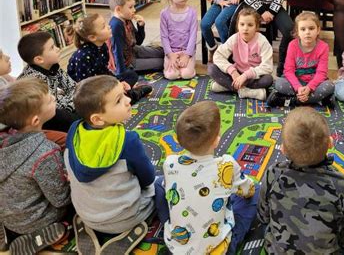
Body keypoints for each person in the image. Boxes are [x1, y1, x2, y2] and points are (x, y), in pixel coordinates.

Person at [64, 75, 168, 254]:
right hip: (125, 217)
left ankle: (92, 225)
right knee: (160, 185)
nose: (128, 100)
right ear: (97, 119)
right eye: (119, 100)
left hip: (86, 214)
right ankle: (133, 227)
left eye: (124, 95)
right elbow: (147, 177)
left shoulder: (74, 131)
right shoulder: (128, 141)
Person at [163, 101, 258, 254]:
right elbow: (249, 191)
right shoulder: (226, 165)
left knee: (159, 186)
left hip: (176, 248)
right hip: (218, 249)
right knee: (255, 190)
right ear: (216, 141)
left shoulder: (169, 163)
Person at [258, 107, 344, 253]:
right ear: (330, 143)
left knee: (254, 191)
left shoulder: (273, 174)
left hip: (276, 251)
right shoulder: (341, 184)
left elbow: (263, 217)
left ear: (283, 149)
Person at [0, 78, 70, 255]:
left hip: (10, 219)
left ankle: (12, 234)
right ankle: (47, 232)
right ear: (36, 119)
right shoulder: (46, 153)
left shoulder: (4, 141)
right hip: (38, 219)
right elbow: (61, 199)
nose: (54, 98)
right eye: (49, 100)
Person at [67, 14, 152, 102]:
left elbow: (104, 71)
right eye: (103, 27)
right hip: (87, 91)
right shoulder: (83, 57)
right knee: (107, 98)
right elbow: (85, 88)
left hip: (100, 81)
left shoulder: (103, 46)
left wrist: (116, 82)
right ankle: (130, 96)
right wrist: (112, 87)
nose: (109, 27)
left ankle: (121, 95)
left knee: (131, 75)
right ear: (92, 37)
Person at [269, 11, 335, 107]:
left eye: (311, 28)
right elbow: (288, 71)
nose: (307, 32)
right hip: (295, 81)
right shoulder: (292, 45)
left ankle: (292, 101)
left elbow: (321, 73)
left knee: (330, 86)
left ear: (318, 30)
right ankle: (318, 100)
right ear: (298, 32)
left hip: (314, 83)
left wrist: (309, 88)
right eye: (303, 29)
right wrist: (298, 87)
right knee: (279, 84)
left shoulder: (323, 47)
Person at [17, 32, 79, 132]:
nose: (58, 48)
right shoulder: (35, 80)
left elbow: (73, 87)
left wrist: (69, 99)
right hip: (42, 118)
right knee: (79, 118)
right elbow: (52, 108)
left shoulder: (52, 66)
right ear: (39, 59)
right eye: (52, 47)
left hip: (55, 106)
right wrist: (70, 101)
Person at [209, 7, 273, 100]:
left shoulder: (262, 41)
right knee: (211, 68)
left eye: (250, 25)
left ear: (256, 27)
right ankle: (245, 91)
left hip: (253, 77)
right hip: (236, 74)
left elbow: (268, 67)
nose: (245, 28)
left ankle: (227, 87)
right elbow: (218, 56)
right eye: (242, 24)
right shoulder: (234, 38)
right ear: (237, 25)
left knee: (268, 79)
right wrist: (233, 71)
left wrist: (246, 75)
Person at [108, 0, 164, 80]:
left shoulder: (126, 19)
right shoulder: (116, 26)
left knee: (163, 52)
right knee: (162, 62)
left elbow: (138, 41)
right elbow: (117, 52)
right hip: (128, 62)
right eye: (130, 7)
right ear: (118, 9)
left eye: (134, 6)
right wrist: (122, 74)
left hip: (133, 49)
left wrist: (141, 26)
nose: (134, 10)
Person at [159, 0, 198, 80]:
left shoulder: (192, 13)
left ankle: (187, 67)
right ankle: (171, 67)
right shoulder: (164, 14)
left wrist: (187, 55)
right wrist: (170, 55)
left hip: (187, 52)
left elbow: (193, 36)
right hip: (171, 52)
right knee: (171, 75)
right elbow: (164, 36)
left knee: (186, 74)